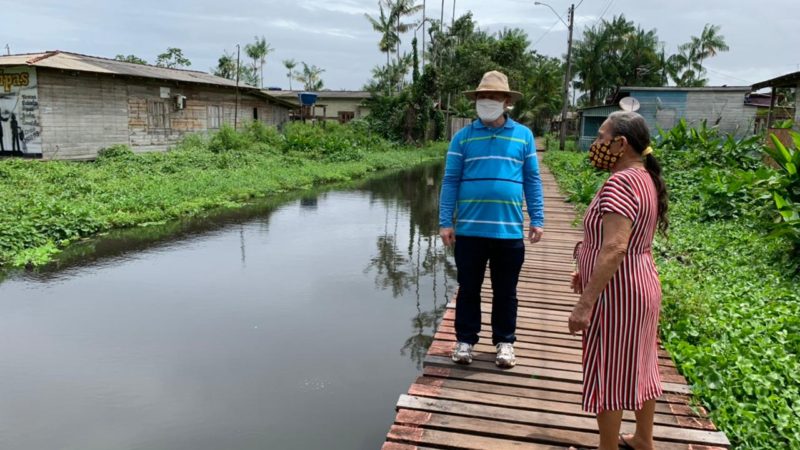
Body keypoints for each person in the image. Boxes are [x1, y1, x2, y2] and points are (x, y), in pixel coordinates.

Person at [567, 111, 669, 450]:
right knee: (641, 364)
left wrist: (585, 303)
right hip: (641, 284)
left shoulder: (621, 182)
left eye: (600, 137)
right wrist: (584, 269)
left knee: (609, 374)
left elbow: (614, 248)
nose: (596, 145)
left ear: (621, 144)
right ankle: (643, 438)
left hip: (618, 293)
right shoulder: (644, 177)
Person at [439, 70, 544, 368]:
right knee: (468, 288)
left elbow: (532, 180)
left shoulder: (523, 136)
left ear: (507, 101)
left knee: (506, 291)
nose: (487, 102)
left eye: (494, 97)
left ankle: (505, 342)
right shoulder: (462, 138)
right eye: (483, 97)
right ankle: (465, 341)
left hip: (509, 231)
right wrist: (445, 221)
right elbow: (450, 181)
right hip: (470, 230)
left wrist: (537, 218)